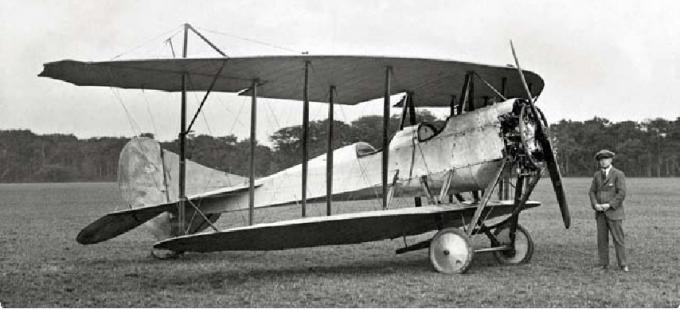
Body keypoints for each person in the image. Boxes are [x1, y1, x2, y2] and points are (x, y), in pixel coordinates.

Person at [589, 149, 628, 272]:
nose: (603, 162)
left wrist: (609, 205)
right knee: (602, 240)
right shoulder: (596, 175)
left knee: (618, 239)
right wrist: (595, 204)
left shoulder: (618, 174)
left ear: (611, 160)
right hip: (600, 214)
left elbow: (621, 193)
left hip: (614, 213)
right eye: (601, 160)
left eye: (605, 159)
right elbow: (592, 192)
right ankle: (603, 264)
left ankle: (623, 264)